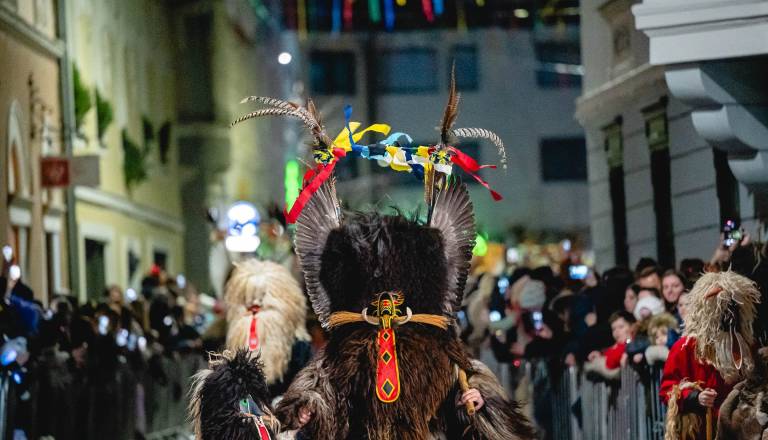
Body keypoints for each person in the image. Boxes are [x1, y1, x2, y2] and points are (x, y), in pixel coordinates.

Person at [661, 271, 760, 439]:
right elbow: (668, 389)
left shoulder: (748, 346)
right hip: (703, 429)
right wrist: (695, 397)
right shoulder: (686, 347)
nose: (729, 314)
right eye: (722, 307)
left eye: (733, 306)